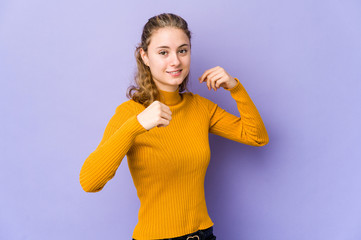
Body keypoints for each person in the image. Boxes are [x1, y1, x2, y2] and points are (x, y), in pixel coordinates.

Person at [80, 13, 269, 240]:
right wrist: (136, 126)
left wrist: (235, 88)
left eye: (183, 50)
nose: (176, 61)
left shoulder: (201, 108)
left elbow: (257, 137)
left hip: (204, 235)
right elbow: (90, 182)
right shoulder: (130, 114)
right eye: (163, 52)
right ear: (145, 56)